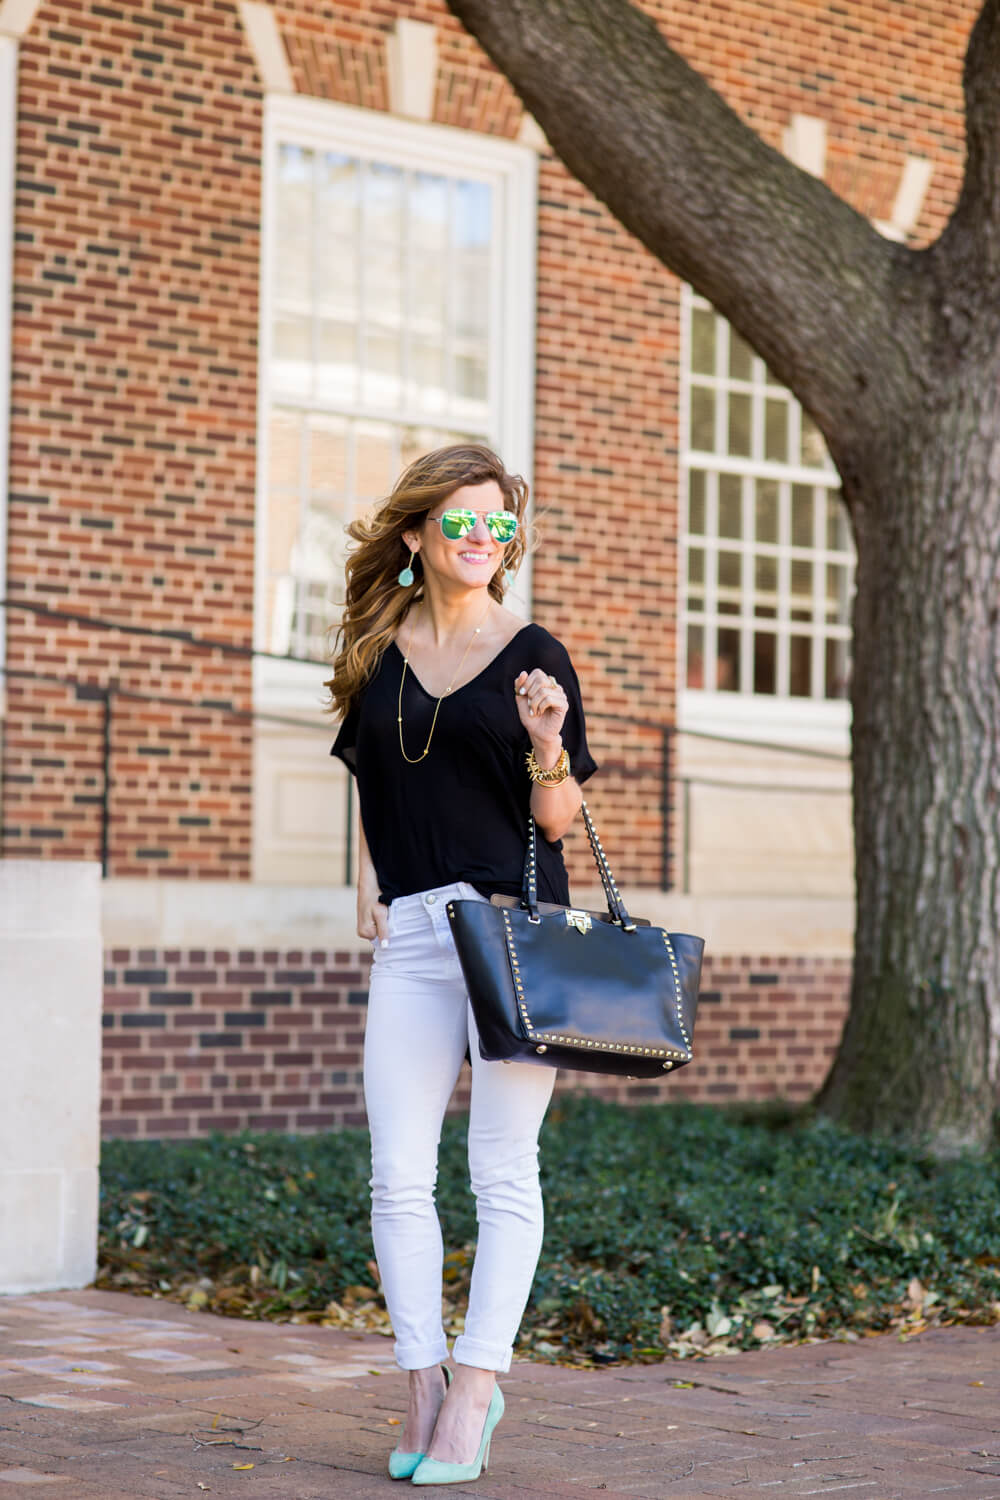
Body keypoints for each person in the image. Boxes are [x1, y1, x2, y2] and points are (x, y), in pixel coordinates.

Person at [327, 443, 597, 1485]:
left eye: (496, 523)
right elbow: (371, 777)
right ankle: (422, 1380)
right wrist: (366, 878)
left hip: (512, 931)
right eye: (461, 521)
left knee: (499, 1172)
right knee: (396, 1174)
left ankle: (479, 1387)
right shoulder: (378, 644)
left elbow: (560, 822)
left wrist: (545, 740)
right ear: (415, 537)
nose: (482, 538)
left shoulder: (533, 652)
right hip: (411, 936)